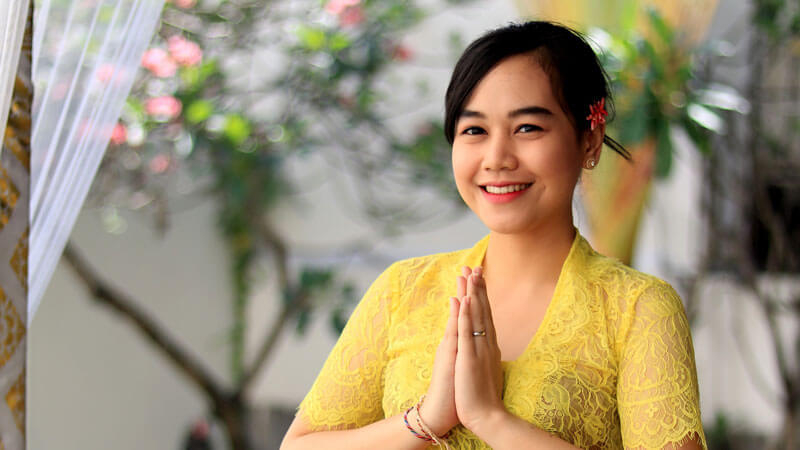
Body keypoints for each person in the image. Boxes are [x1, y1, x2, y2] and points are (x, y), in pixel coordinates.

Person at [280, 21, 706, 450]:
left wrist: (491, 418)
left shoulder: (638, 309)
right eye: (474, 131)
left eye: (527, 128)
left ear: (589, 140)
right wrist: (427, 419)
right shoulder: (402, 290)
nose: (497, 158)